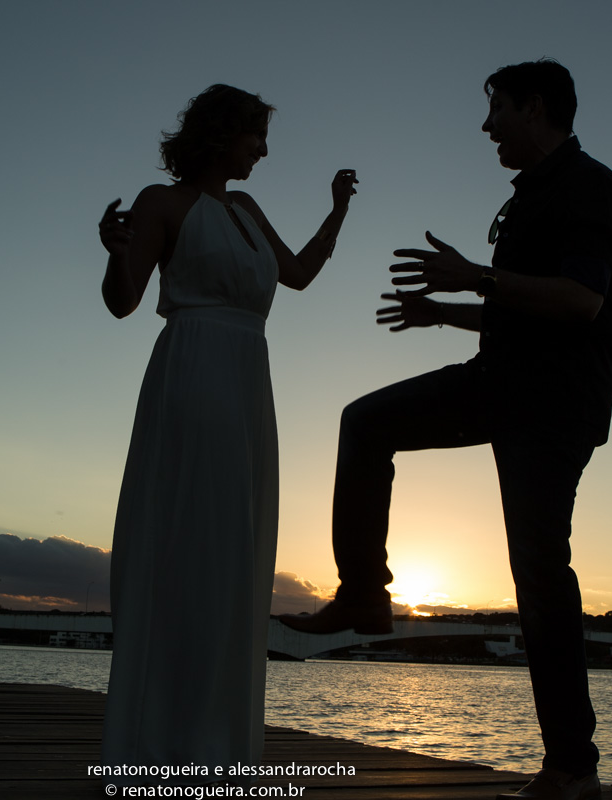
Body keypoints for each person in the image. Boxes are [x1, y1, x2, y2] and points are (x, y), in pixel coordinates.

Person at [279, 60, 612, 800]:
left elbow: (579, 303)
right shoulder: (535, 193)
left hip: (552, 405)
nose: (485, 127)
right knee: (365, 422)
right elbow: (522, 306)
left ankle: (574, 766)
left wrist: (476, 278)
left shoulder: (592, 189)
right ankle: (365, 594)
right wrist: (445, 313)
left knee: (539, 575)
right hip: (498, 382)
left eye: (496, 109)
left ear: (534, 107)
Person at [98, 84, 357, 786]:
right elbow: (124, 300)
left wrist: (337, 213)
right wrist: (113, 253)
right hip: (193, 377)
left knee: (233, 558)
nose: (264, 150)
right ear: (220, 133)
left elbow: (297, 274)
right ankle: (163, 747)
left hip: (247, 384)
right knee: (189, 549)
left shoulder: (244, 211)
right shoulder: (163, 204)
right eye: (254, 136)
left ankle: (214, 744)